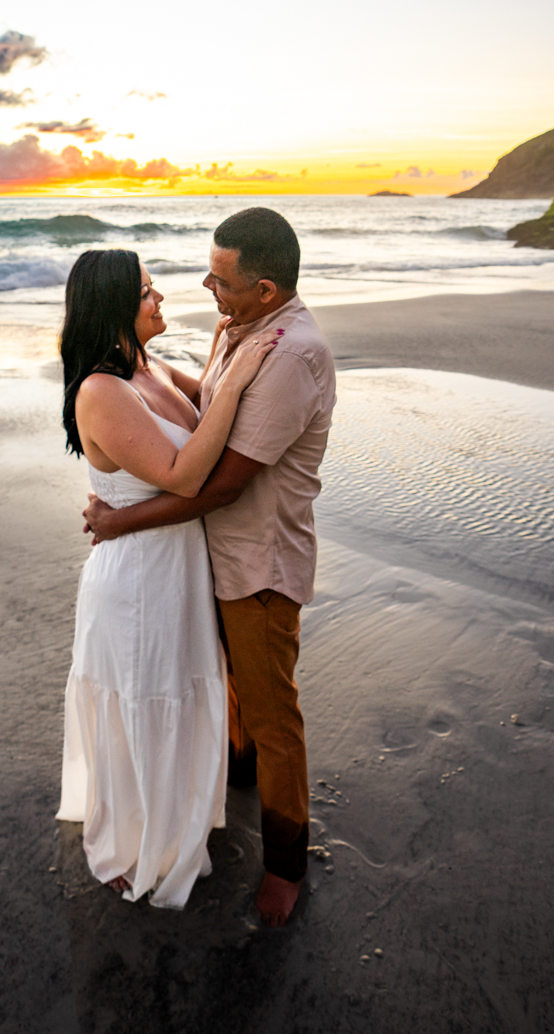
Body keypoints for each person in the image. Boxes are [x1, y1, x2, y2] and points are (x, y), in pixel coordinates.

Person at [84, 208, 336, 928]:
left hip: (256, 564)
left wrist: (117, 519)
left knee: (271, 712)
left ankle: (285, 864)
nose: (204, 289)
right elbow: (192, 408)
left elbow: (220, 484)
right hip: (212, 557)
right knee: (235, 697)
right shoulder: (243, 330)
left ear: (263, 287)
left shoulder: (287, 356)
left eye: (218, 280)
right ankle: (240, 785)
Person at [56, 247, 278, 909]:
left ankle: (173, 824)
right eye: (148, 293)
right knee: (144, 702)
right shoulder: (102, 390)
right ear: (115, 305)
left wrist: (222, 354)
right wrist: (236, 383)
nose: (160, 301)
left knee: (177, 696)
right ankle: (134, 842)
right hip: (137, 584)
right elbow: (186, 474)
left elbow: (203, 407)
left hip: (175, 569)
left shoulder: (147, 366)